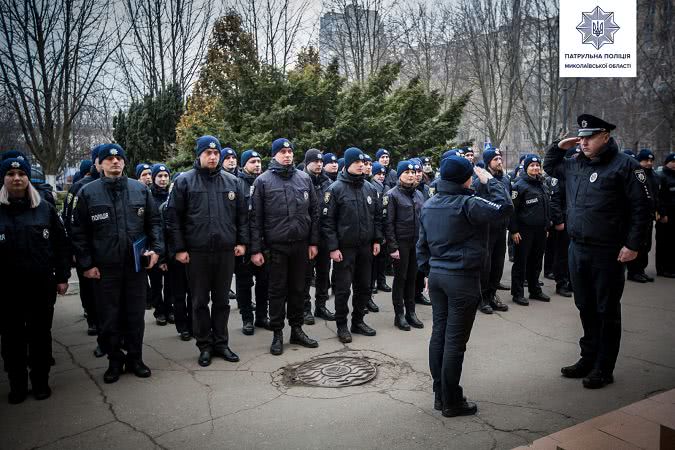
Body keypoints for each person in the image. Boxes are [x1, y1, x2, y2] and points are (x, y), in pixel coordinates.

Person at [544, 114, 651, 389]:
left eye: (589, 136)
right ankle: (588, 358)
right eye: (581, 137)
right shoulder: (575, 162)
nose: (584, 142)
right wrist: (561, 144)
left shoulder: (625, 166)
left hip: (608, 252)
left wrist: (633, 245)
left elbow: (642, 209)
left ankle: (604, 367)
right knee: (585, 306)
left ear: (606, 135)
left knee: (606, 309)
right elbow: (550, 165)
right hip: (577, 248)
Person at [418, 156, 513, 417]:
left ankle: (440, 394)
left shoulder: (429, 204)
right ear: (465, 179)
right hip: (461, 279)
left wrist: (428, 271)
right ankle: (451, 400)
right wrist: (491, 181)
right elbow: (504, 208)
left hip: (437, 277)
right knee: (454, 342)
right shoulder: (468, 204)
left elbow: (421, 246)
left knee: (440, 334)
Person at [71, 144, 162, 384]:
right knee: (109, 317)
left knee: (135, 316)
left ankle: (135, 358)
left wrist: (156, 250)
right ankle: (114, 360)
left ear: (124, 162)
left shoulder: (140, 190)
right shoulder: (88, 193)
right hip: (105, 270)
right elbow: (78, 233)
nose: (114, 162)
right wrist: (87, 264)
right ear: (100, 164)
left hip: (135, 267)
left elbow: (154, 223)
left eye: (119, 158)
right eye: (109, 158)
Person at [166, 136, 248, 367]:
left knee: (222, 301)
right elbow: (174, 219)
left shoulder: (232, 181)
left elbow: (242, 216)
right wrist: (179, 249)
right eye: (207, 153)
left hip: (225, 251)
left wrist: (242, 242)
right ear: (199, 155)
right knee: (200, 301)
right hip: (197, 253)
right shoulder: (184, 181)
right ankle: (204, 345)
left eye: (216, 153)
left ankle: (221, 343)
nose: (212, 157)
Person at [0, 156, 70, 404]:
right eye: (10, 174)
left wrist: (62, 277)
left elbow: (61, 245)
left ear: (28, 177)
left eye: (21, 174)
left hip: (40, 287)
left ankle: (40, 381)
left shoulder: (44, 208)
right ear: (4, 178)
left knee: (41, 335)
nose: (16, 178)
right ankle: (17, 384)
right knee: (11, 338)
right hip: (7, 290)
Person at [250, 138, 320, 355]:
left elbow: (314, 212)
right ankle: (277, 333)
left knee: (299, 289)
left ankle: (296, 329)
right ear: (274, 155)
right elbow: (255, 219)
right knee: (277, 291)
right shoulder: (263, 181)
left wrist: (313, 242)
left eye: (290, 151)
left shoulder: (304, 178)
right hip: (276, 246)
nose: (287, 155)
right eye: (282, 151)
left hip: (301, 245)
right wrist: (256, 249)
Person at [321, 147, 383, 343]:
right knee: (343, 289)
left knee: (364, 286)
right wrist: (333, 247)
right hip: (344, 250)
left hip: (365, 247)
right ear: (347, 164)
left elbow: (377, 218)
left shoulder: (370, 188)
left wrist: (376, 240)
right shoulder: (335, 189)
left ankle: (358, 321)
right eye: (357, 162)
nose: (362, 166)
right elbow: (327, 222)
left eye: (364, 163)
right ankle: (342, 325)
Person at [384, 160, 425, 331]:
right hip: (400, 243)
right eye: (406, 172)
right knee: (400, 279)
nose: (410, 175)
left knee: (413, 278)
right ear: (399, 175)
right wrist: (393, 247)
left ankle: (411, 312)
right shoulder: (392, 195)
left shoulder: (419, 194)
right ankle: (399, 314)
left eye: (412, 172)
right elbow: (388, 223)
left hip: (415, 243)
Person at [235, 149, 271, 335]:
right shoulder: (236, 184)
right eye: (252, 162)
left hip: (264, 243)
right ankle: (247, 318)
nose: (257, 164)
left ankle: (262, 316)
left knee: (264, 281)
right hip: (245, 243)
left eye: (258, 161)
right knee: (244, 283)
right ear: (244, 165)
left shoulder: (265, 182)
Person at [473, 147, 511, 314]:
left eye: (500, 158)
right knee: (485, 266)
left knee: (498, 264)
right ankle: (483, 298)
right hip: (487, 229)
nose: (500, 162)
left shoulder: (505, 180)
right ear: (488, 162)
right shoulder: (480, 181)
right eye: (496, 159)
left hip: (501, 228)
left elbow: (510, 204)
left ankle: (493, 294)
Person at [509, 154, 551, 306]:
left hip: (540, 230)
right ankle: (518, 293)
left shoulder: (542, 184)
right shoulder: (518, 186)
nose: (535, 168)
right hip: (523, 231)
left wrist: (546, 226)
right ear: (526, 168)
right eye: (532, 166)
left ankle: (535, 290)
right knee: (521, 262)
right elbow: (512, 211)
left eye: (537, 165)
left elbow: (547, 208)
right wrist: (514, 231)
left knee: (536, 261)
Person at [301, 149, 336, 324]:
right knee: (306, 275)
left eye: (321, 162)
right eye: (315, 161)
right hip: (307, 237)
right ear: (307, 162)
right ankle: (305, 308)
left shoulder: (327, 182)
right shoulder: (301, 180)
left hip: (324, 235)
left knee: (323, 273)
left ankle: (321, 306)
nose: (319, 164)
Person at [626, 149, 659, 282]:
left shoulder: (654, 177)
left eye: (651, 161)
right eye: (645, 160)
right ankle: (633, 271)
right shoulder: (636, 175)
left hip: (648, 215)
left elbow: (655, 196)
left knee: (646, 244)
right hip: (636, 215)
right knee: (636, 243)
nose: (649, 163)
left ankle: (641, 270)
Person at [148, 164, 173, 326]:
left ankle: (170, 309)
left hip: (171, 248)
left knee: (171, 283)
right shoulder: (148, 196)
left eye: (165, 176)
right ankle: (159, 311)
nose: (163, 179)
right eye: (160, 176)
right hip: (155, 248)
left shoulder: (172, 195)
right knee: (156, 283)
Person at [369, 162, 391, 298]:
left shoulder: (386, 187)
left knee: (383, 257)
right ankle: (372, 284)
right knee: (374, 259)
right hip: (374, 226)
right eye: (378, 174)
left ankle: (381, 280)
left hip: (384, 225)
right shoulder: (371, 187)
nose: (381, 176)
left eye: (383, 174)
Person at [656, 153, 675, 278]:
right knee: (664, 243)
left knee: (672, 243)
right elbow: (658, 198)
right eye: (673, 161)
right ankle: (663, 269)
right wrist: (662, 213)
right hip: (665, 216)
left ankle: (671, 267)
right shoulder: (661, 176)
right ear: (667, 162)